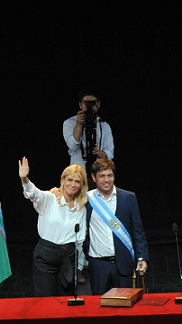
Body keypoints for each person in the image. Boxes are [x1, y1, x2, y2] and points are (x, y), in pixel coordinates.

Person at [63, 89, 115, 284]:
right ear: (80, 105)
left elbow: (110, 151)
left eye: (93, 103)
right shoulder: (70, 123)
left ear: (99, 105)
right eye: (86, 103)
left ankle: (95, 261)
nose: (90, 107)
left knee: (96, 220)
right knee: (77, 221)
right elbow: (73, 143)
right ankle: (78, 268)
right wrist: (79, 123)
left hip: (98, 175)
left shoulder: (104, 126)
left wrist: (101, 153)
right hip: (78, 175)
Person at [19, 157, 88, 297]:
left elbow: (80, 240)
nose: (73, 185)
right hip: (46, 256)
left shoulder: (83, 206)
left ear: (82, 185)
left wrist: (79, 266)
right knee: (45, 301)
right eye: (70, 180)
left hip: (69, 257)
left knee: (65, 301)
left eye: (77, 182)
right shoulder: (50, 198)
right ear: (63, 180)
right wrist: (25, 179)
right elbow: (33, 194)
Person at [86, 159, 149, 295]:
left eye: (110, 175)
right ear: (93, 177)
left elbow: (138, 231)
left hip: (123, 264)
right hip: (98, 266)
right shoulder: (87, 200)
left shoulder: (129, 198)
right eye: (102, 176)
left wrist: (142, 257)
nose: (107, 180)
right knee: (99, 310)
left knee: (125, 311)